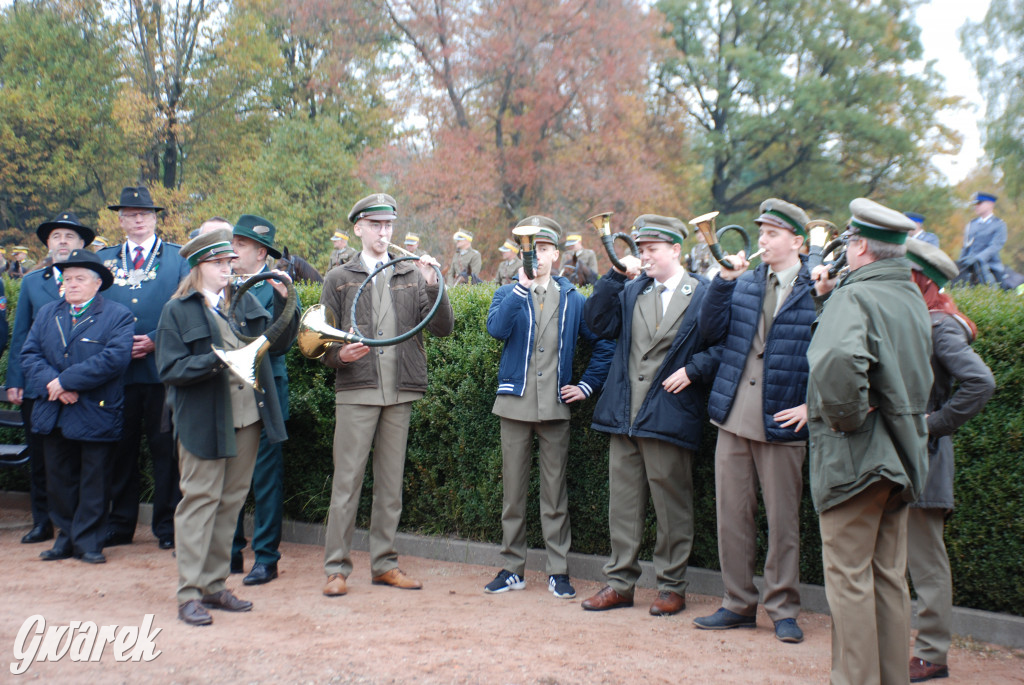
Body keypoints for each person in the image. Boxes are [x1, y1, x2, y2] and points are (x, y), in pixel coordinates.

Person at [807, 198, 933, 685]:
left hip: (856, 458)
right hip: (900, 456)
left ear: (859, 246)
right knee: (887, 578)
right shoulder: (910, 297)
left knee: (850, 581)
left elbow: (838, 357)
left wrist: (847, 418)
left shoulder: (854, 297)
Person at [155, 229, 298, 626]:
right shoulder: (178, 310)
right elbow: (168, 369)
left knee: (231, 502)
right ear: (199, 266)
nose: (227, 269)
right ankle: (188, 593)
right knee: (199, 502)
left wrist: (289, 303)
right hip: (204, 420)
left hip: (247, 417)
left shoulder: (244, 299)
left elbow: (278, 343)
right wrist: (218, 360)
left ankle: (214, 586)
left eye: (229, 262)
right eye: (219, 264)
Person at [693, 199, 816, 643]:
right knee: (732, 517)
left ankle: (783, 608)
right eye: (761, 233)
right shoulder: (743, 282)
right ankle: (738, 603)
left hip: (785, 418)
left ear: (797, 241)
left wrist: (812, 407)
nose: (762, 241)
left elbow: (835, 353)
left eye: (773, 234)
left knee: (783, 521)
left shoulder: (819, 286)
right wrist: (723, 283)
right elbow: (710, 332)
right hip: (734, 417)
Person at [581, 215, 716, 616]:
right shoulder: (632, 288)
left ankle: (672, 586)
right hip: (625, 415)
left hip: (669, 416)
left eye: (652, 249)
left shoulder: (704, 292)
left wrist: (694, 370)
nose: (645, 257)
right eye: (641, 250)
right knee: (622, 506)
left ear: (676, 250)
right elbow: (597, 323)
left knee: (672, 507)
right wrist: (614, 275)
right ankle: (620, 583)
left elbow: (725, 345)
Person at [320, 193, 454, 597]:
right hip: (356, 391)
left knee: (391, 486)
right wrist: (338, 355)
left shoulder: (414, 273)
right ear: (358, 228)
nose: (383, 232)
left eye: (388, 225)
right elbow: (319, 341)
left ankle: (384, 565)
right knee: (346, 484)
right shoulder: (338, 278)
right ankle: (336, 569)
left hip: (400, 392)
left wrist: (435, 284)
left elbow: (442, 328)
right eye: (375, 225)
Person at [484, 216, 613, 598]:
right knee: (513, 493)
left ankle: (558, 570)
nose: (536, 256)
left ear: (556, 254)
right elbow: (496, 330)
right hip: (514, 404)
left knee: (554, 493)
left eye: (542, 249)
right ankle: (512, 568)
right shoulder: (507, 293)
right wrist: (520, 290)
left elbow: (604, 343)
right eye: (530, 250)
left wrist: (587, 385)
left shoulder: (575, 299)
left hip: (556, 407)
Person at [903, 238, 995, 683]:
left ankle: (933, 652)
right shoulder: (919, 316)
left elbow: (980, 383)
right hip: (907, 456)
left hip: (925, 457)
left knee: (926, 563)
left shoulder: (940, 324)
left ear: (920, 279)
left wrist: (932, 424)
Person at [21, 249, 134, 564]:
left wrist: (68, 381)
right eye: (68, 278)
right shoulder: (47, 313)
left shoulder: (118, 315)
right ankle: (66, 539)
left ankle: (89, 543)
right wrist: (55, 384)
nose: (72, 283)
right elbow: (29, 355)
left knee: (94, 481)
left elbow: (115, 358)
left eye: (79, 278)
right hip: (55, 409)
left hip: (96, 411)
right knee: (59, 480)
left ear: (97, 284)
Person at [97, 186, 190, 551]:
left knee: (164, 449)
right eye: (130, 214)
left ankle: (166, 525)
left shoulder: (177, 259)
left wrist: (155, 338)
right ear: (120, 220)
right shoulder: (104, 260)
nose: (138, 219)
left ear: (155, 218)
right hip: (117, 372)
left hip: (160, 370)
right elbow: (95, 311)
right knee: (120, 449)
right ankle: (120, 523)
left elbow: (185, 306)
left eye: (144, 214)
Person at [7, 211, 91, 545]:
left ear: (81, 244)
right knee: (41, 459)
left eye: (69, 237)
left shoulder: (95, 280)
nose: (62, 242)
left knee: (79, 458)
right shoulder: (32, 282)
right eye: (56, 236)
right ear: (48, 243)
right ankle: (43, 522)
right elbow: (21, 335)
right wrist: (16, 380)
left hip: (80, 385)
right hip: (38, 385)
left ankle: (81, 525)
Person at [230, 215, 298, 586]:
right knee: (230, 475)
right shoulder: (222, 282)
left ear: (261, 252)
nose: (233, 250)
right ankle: (230, 552)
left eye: (240, 245)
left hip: (266, 390)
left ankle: (267, 558)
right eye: (234, 243)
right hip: (229, 390)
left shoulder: (278, 285)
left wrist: (283, 299)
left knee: (265, 478)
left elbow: (285, 343)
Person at [958, 192, 1007, 287]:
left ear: (990, 204)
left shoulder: (999, 224)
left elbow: (995, 246)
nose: (976, 207)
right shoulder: (972, 224)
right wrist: (960, 263)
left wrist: (978, 258)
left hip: (990, 266)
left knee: (1001, 290)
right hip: (969, 265)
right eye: (975, 204)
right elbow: (965, 247)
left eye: (979, 204)